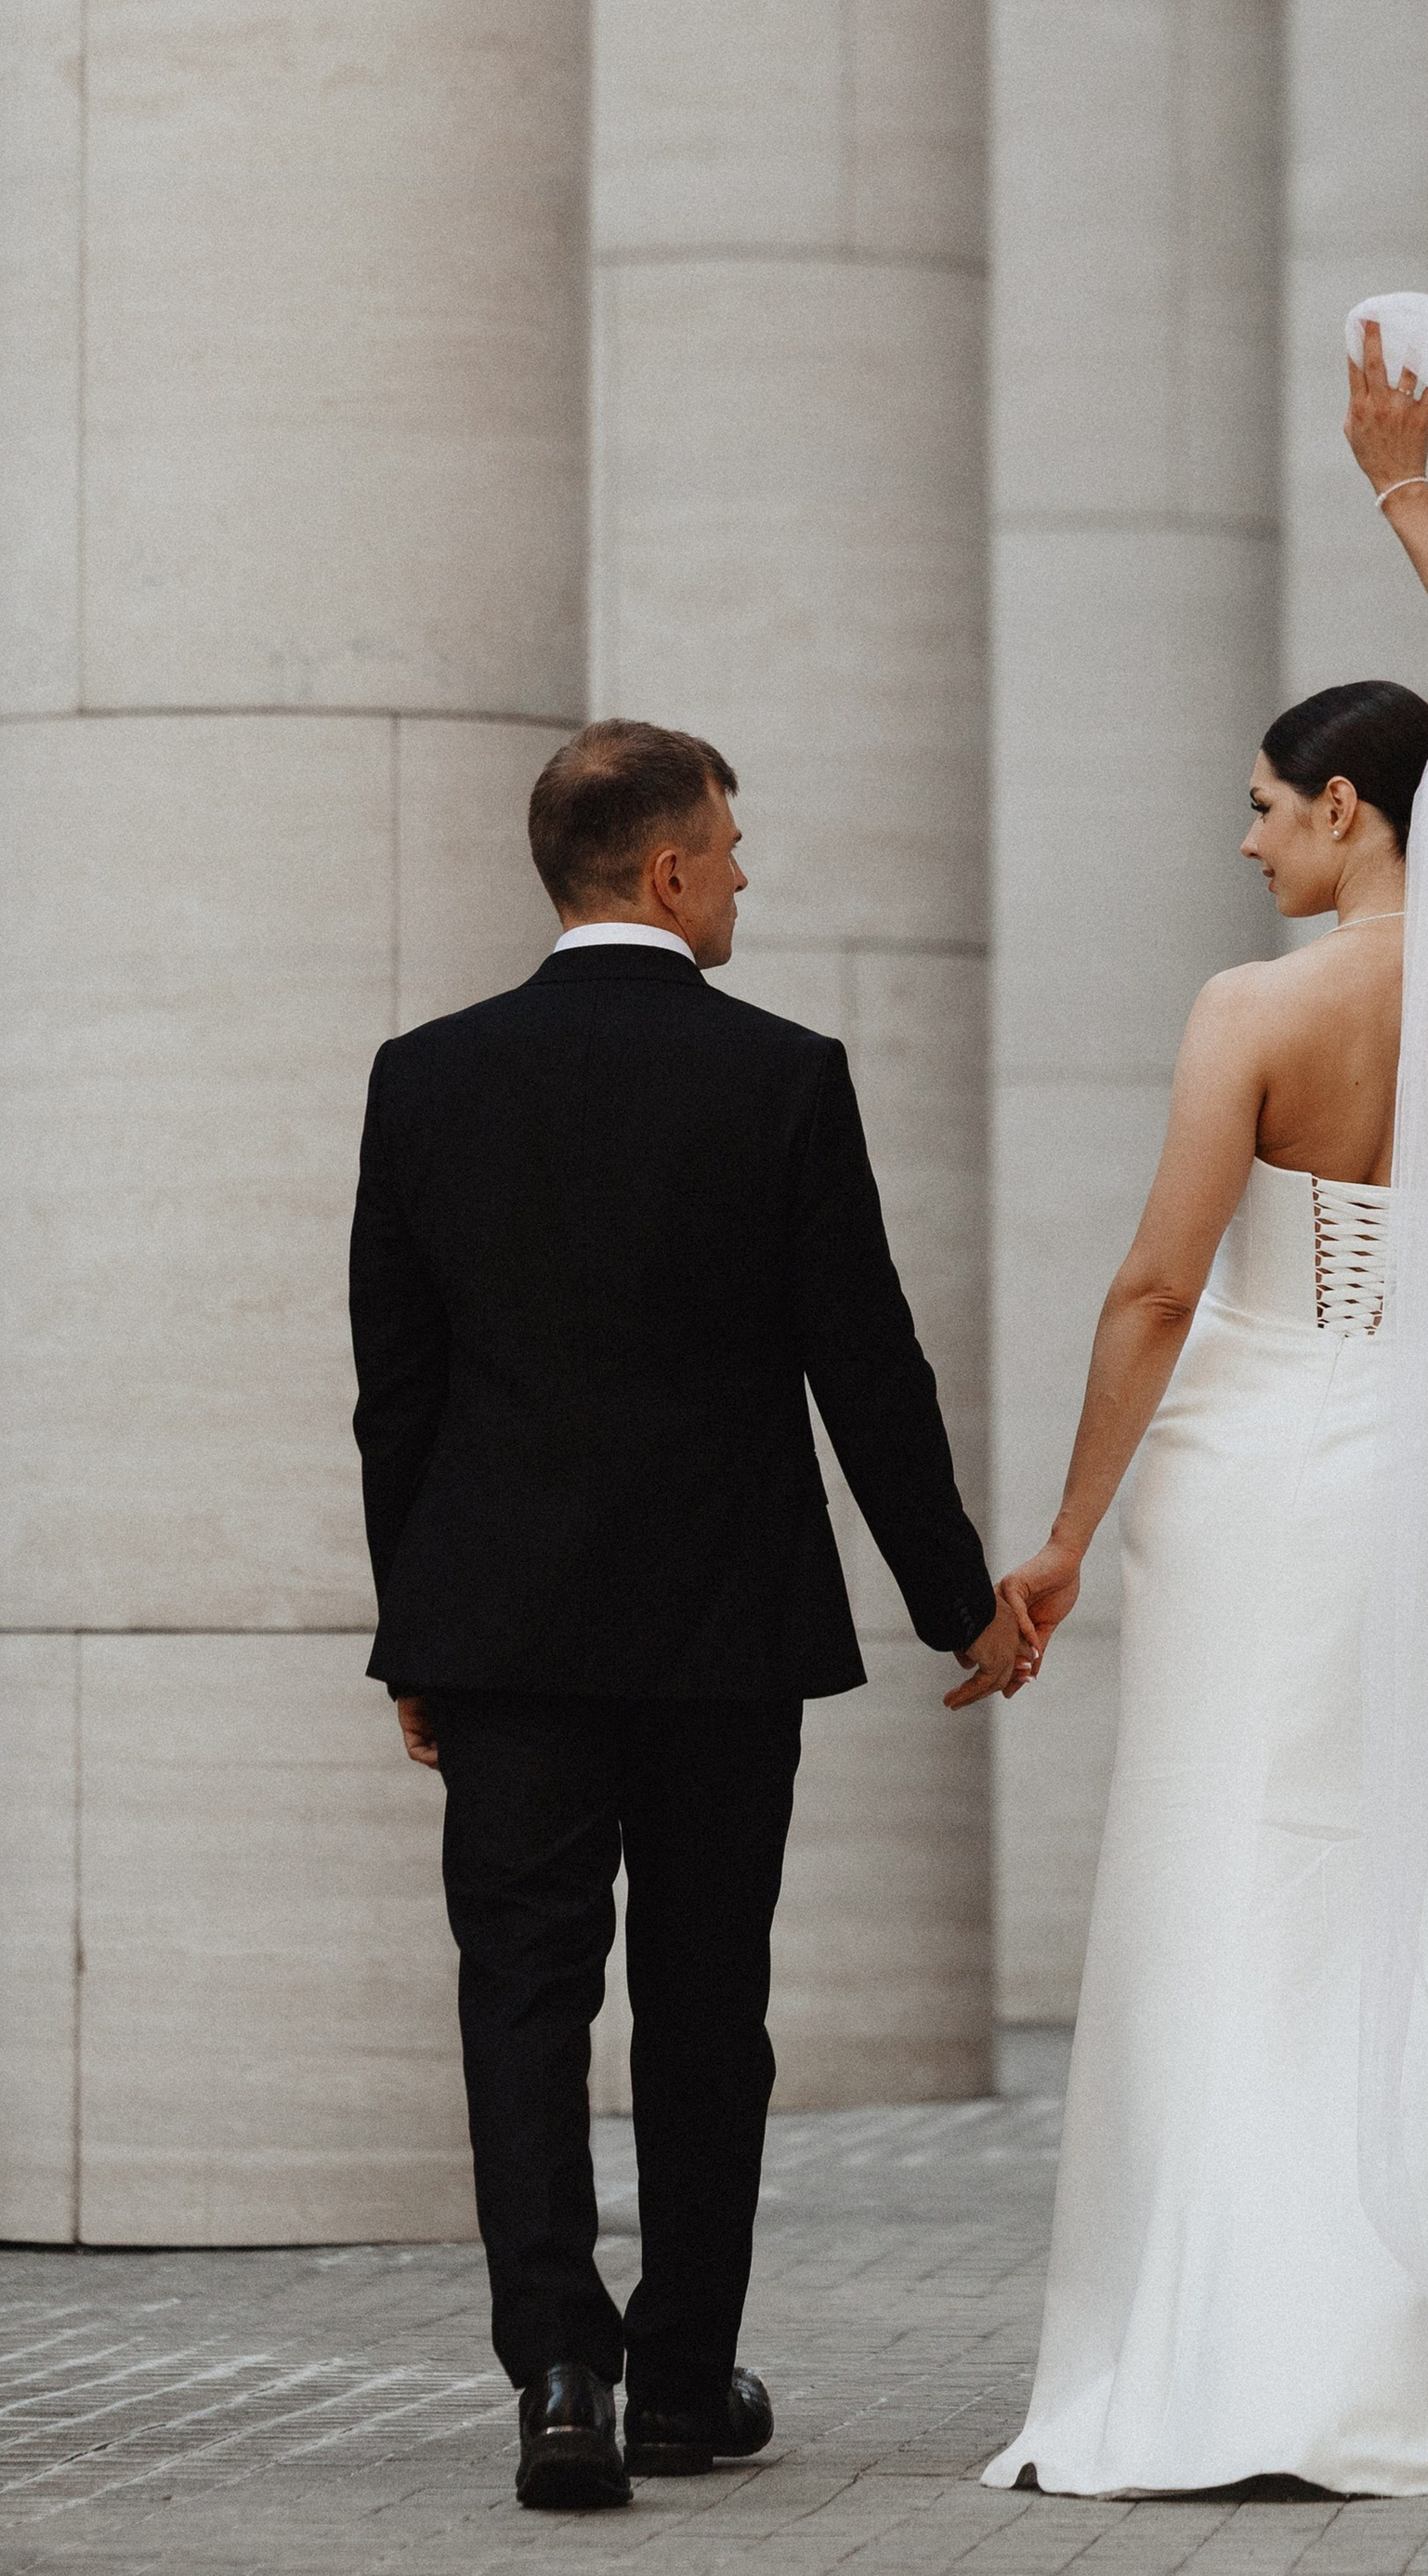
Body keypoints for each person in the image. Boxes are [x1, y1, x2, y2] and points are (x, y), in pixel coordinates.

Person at [982, 322, 1428, 2493]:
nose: (1245, 836)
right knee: (1391, 1892)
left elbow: (1159, 1286)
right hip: (1420, 1479)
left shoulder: (1255, 1007)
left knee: (1222, 1892)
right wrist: (1402, 496)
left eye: (1266, 804)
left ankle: (1231, 2349)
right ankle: (1404, 2339)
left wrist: (1069, 1532)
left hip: (1263, 1466)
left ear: (1342, 806)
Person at [349, 719, 1028, 2514]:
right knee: (707, 2000)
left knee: (523, 1991)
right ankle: (676, 2378)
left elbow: (395, 1393)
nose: (744, 872)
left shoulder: (423, 1078)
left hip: (499, 1627)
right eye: (731, 846)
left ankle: (558, 2370)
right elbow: (865, 1370)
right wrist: (963, 1605)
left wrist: (416, 1629)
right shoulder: (783, 1077)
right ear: (667, 870)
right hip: (727, 1629)